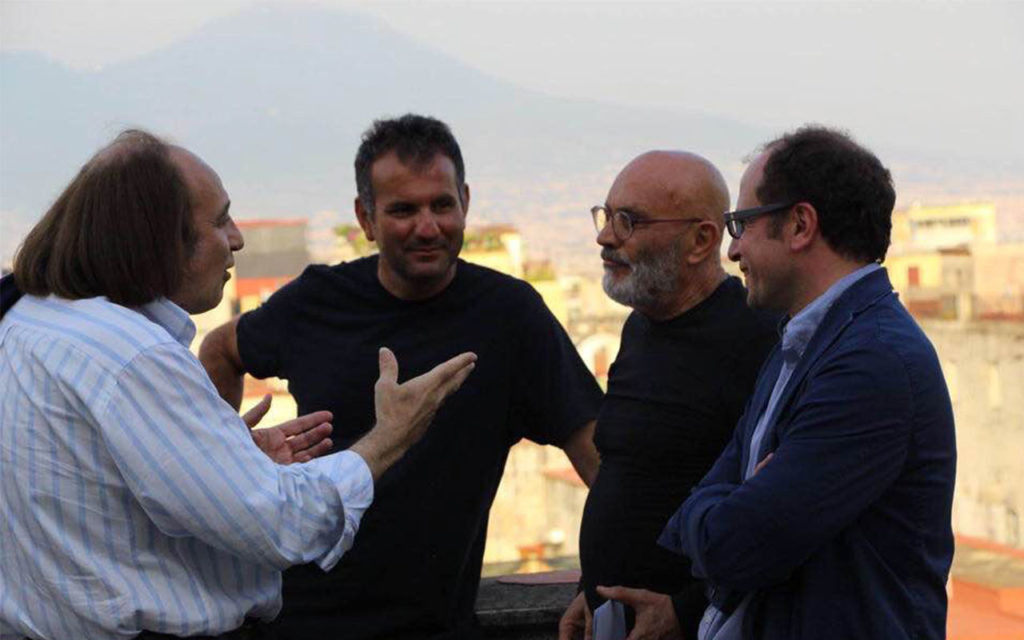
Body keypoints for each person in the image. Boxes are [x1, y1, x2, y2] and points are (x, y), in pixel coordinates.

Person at [0, 130, 476, 640]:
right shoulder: (134, 357)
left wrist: (224, 462)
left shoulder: (30, 320)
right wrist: (391, 436)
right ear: (160, 239)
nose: (237, 237)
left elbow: (97, 498)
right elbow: (280, 526)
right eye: (220, 219)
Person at [199, 114, 603, 639]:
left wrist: (614, 575)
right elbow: (221, 348)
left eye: (442, 205)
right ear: (365, 218)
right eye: (403, 210)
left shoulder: (510, 316)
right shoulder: (318, 300)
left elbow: (597, 453)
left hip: (430, 625)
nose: (428, 226)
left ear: (466, 203)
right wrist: (222, 457)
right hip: (295, 618)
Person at [658, 126, 956, 639]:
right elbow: (706, 503)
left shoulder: (871, 362)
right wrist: (726, 505)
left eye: (741, 225)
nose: (732, 252)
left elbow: (736, 547)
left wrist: (728, 508)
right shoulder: (803, 344)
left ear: (799, 225)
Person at [557, 152, 778, 640]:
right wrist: (590, 589)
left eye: (628, 221)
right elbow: (633, 475)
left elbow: (776, 510)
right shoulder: (641, 326)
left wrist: (685, 610)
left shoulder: (758, 338)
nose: (605, 236)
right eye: (606, 215)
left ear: (702, 240)